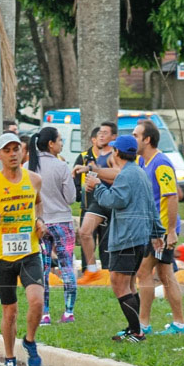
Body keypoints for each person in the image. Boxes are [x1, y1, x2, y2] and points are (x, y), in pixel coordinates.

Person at [0, 133, 47, 366]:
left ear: (22, 152)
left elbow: (38, 204)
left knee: (37, 301)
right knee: (10, 311)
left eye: (17, 149)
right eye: (8, 150)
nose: (13, 153)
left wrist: (39, 220)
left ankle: (29, 340)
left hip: (29, 252)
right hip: (2, 256)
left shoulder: (34, 180)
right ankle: (9, 359)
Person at [84, 135, 164, 342]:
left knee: (119, 283)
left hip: (126, 237)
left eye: (113, 149)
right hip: (140, 237)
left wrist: (97, 185)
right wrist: (157, 233)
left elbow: (113, 200)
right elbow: (151, 207)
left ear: (117, 152)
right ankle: (134, 329)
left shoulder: (126, 175)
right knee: (128, 284)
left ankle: (137, 332)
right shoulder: (139, 173)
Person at [133, 119, 184, 335]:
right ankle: (179, 324)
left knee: (143, 271)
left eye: (137, 135)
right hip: (151, 229)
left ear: (147, 139)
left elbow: (172, 197)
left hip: (161, 231)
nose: (134, 138)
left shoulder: (161, 163)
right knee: (165, 275)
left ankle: (143, 324)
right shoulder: (142, 162)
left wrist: (171, 231)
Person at [26, 127, 77, 325]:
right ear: (51, 144)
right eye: (60, 140)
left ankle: (44, 313)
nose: (62, 144)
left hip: (38, 223)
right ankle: (68, 312)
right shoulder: (61, 166)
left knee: (42, 269)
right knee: (66, 267)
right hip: (62, 222)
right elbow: (71, 198)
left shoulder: (27, 167)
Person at [74, 122, 117, 284]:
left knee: (109, 243)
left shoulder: (115, 155)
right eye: (100, 132)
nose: (101, 135)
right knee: (84, 232)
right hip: (98, 201)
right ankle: (91, 271)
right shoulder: (97, 156)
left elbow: (118, 177)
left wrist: (96, 178)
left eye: (105, 133)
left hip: (112, 201)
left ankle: (108, 273)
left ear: (113, 137)